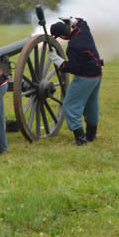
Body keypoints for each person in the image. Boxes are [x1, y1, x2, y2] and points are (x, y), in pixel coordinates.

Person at [48, 16, 104, 146]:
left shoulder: (73, 46)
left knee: (70, 106)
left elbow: (73, 67)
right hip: (97, 74)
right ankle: (91, 135)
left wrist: (55, 59)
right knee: (91, 105)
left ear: (62, 36)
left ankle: (80, 139)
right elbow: (82, 20)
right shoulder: (82, 29)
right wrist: (72, 20)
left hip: (85, 77)